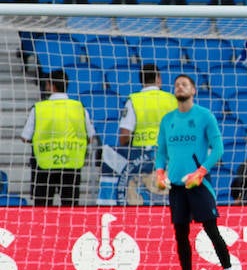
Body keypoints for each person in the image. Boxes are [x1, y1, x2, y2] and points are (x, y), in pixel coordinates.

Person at [155, 75, 239, 270]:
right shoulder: (167, 120)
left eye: (184, 84)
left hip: (198, 184)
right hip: (176, 186)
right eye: (176, 84)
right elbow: (161, 152)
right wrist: (160, 173)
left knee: (211, 231)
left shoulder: (204, 116)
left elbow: (218, 148)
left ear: (193, 90)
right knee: (180, 233)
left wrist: (200, 172)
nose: (179, 86)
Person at [21, 69, 95, 207]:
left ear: (50, 85)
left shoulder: (38, 108)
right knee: (70, 206)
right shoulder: (79, 108)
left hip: (44, 164)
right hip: (71, 163)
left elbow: (25, 137)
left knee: (42, 206)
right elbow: (91, 137)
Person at [112, 62, 177, 205]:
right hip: (169, 158)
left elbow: (124, 134)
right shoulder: (172, 100)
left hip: (141, 162)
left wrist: (126, 146)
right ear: (158, 79)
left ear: (141, 80)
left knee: (143, 199)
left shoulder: (134, 100)